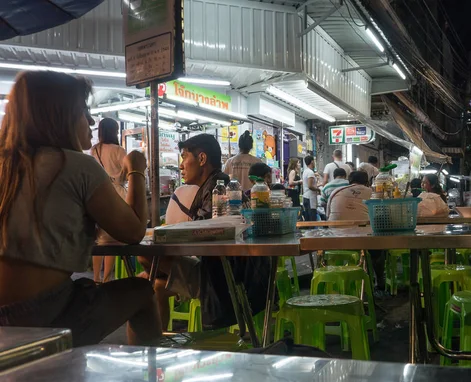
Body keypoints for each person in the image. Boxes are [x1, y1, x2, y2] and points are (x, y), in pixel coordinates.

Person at [0, 71, 162, 346]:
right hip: (46, 312)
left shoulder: (7, 166)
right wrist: (136, 169)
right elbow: (134, 230)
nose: (91, 121)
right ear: (58, 115)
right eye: (83, 111)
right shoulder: (75, 166)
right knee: (142, 291)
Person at [142, 134, 269, 330]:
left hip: (223, 275)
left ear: (201, 159)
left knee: (145, 260)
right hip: (223, 268)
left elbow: (205, 236)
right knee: (149, 280)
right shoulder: (216, 186)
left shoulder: (218, 191)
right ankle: (157, 341)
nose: (181, 165)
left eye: (184, 157)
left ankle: (154, 345)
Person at [91, 117, 128, 284]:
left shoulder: (94, 150)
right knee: (112, 240)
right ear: (114, 132)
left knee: (99, 239)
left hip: (99, 194)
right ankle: (106, 279)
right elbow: (128, 173)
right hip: (118, 194)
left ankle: (95, 277)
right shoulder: (119, 150)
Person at [302, 155, 320, 221]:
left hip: (305, 197)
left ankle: (308, 231)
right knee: (312, 219)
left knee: (307, 218)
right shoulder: (310, 172)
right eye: (314, 161)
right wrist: (318, 189)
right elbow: (310, 186)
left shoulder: (305, 171)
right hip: (310, 198)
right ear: (312, 161)